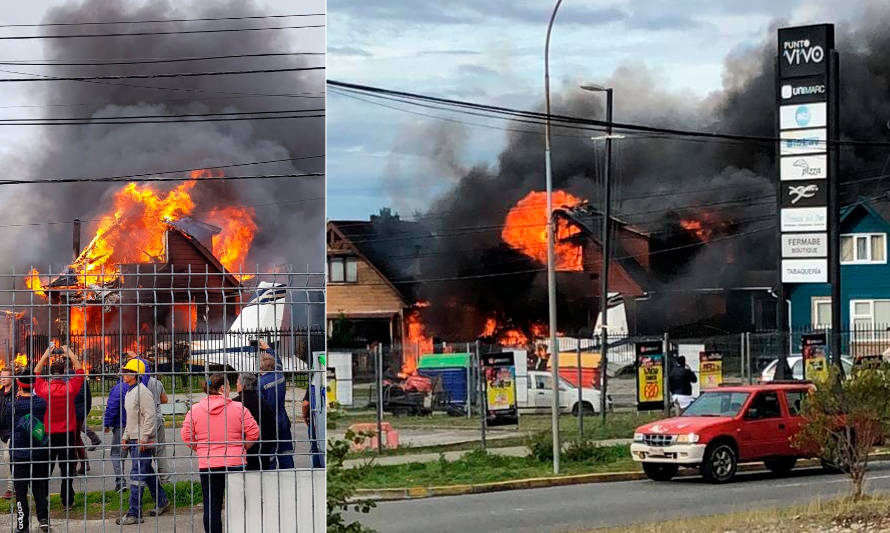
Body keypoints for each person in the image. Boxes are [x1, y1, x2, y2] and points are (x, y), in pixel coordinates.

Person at [181, 373, 259, 533]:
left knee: (211, 505)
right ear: (223, 388)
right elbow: (254, 432)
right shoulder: (239, 408)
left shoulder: (194, 410)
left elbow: (186, 436)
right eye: (229, 386)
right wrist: (242, 447)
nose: (231, 389)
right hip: (235, 462)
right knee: (237, 504)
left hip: (208, 463)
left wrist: (202, 449)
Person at [116, 358, 169, 525]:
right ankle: (162, 501)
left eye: (127, 372)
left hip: (142, 441)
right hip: (133, 439)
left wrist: (145, 437)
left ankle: (134, 513)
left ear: (135, 374)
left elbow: (150, 416)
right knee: (146, 472)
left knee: (136, 475)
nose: (124, 374)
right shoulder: (130, 391)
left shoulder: (142, 391)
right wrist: (125, 436)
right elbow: (131, 418)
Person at [33, 346, 84, 511]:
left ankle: (43, 499)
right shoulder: (70, 389)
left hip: (47, 433)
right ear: (63, 373)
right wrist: (69, 353)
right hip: (67, 433)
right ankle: (67, 501)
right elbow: (80, 371)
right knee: (67, 469)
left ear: (51, 373)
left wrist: (46, 354)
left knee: (45, 469)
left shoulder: (43, 389)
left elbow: (36, 372)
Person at [1, 370, 50, 533]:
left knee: (21, 490)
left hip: (20, 452)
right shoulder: (42, 402)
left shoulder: (13, 405)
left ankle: (23, 526)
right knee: (39, 487)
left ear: (19, 386)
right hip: (40, 451)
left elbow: (7, 422)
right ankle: (43, 519)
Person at [258, 340, 294, 469]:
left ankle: (272, 480)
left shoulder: (260, 383)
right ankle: (289, 476)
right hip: (282, 418)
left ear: (260, 367)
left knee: (270, 454)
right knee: (286, 453)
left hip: (269, 421)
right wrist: (268, 348)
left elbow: (260, 405)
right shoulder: (279, 374)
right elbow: (278, 360)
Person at [232, 373, 276, 471]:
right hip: (262, 449)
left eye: (237, 383)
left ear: (243, 386)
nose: (236, 385)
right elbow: (272, 426)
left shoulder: (234, 403)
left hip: (240, 450)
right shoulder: (263, 402)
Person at [103, 379, 128, 492]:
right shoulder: (141, 386)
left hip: (121, 425)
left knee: (117, 454)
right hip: (137, 426)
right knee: (138, 456)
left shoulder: (119, 388)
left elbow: (112, 406)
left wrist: (107, 423)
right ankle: (140, 482)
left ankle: (120, 482)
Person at [145, 375, 170, 482]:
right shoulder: (157, 382)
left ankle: (146, 480)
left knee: (144, 452)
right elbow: (164, 399)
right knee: (160, 451)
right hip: (157, 418)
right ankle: (165, 479)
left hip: (143, 420)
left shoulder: (136, 383)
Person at [0, 369, 15, 500]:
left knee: (8, 458)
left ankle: (11, 489)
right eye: (1, 377)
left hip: (13, 432)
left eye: (5, 377)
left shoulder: (16, 392)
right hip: (3, 433)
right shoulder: (0, 393)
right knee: (7, 460)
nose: (2, 379)